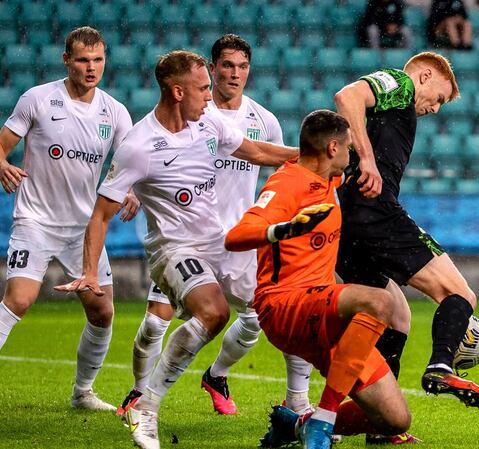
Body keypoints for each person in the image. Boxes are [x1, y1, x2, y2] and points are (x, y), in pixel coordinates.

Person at [56, 50, 298, 449]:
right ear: (177, 91)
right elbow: (101, 215)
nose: (211, 96)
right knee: (213, 312)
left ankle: (300, 407)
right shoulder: (139, 145)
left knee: (279, 305)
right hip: (174, 247)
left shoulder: (209, 122)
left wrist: (311, 158)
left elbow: (257, 153)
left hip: (219, 240)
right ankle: (145, 406)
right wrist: (89, 271)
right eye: (203, 88)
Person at [114, 34, 315, 419]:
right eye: (226, 66)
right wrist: (136, 190)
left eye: (242, 67)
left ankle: (219, 376)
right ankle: (139, 394)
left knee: (263, 317)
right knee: (157, 320)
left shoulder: (264, 121)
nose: (234, 74)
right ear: (212, 67)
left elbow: (275, 166)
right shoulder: (190, 116)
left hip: (237, 239)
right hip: (185, 238)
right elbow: (151, 162)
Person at [225, 109, 411, 449]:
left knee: (394, 420)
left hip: (322, 311)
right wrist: (283, 230)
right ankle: (323, 420)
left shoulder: (329, 177)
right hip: (285, 304)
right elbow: (236, 236)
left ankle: (296, 425)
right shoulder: (287, 183)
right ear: (332, 148)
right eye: (349, 147)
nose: (352, 153)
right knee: (379, 301)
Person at [334, 51, 479, 415]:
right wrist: (368, 159)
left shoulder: (398, 109)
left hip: (349, 226)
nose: (436, 109)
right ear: (424, 76)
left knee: (395, 315)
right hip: (374, 213)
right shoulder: (401, 83)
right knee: (460, 293)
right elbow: (348, 96)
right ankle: (441, 365)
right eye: (439, 98)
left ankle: (377, 418)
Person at [0, 26, 137, 411]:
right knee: (20, 300)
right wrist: (1, 164)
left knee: (103, 311)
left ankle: (82, 394)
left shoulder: (115, 111)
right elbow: (2, 144)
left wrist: (129, 189)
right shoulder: (39, 99)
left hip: (84, 229)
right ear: (67, 60)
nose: (91, 68)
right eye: (82, 60)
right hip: (36, 221)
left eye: (98, 60)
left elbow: (130, 163)